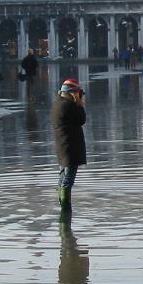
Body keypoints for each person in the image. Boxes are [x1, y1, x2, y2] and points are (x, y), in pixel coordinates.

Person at [52, 79, 87, 212]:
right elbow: (81, 119)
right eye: (77, 93)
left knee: (62, 178)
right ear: (72, 93)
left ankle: (63, 211)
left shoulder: (57, 103)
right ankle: (66, 210)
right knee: (68, 181)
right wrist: (80, 104)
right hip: (70, 148)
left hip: (63, 147)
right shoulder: (68, 105)